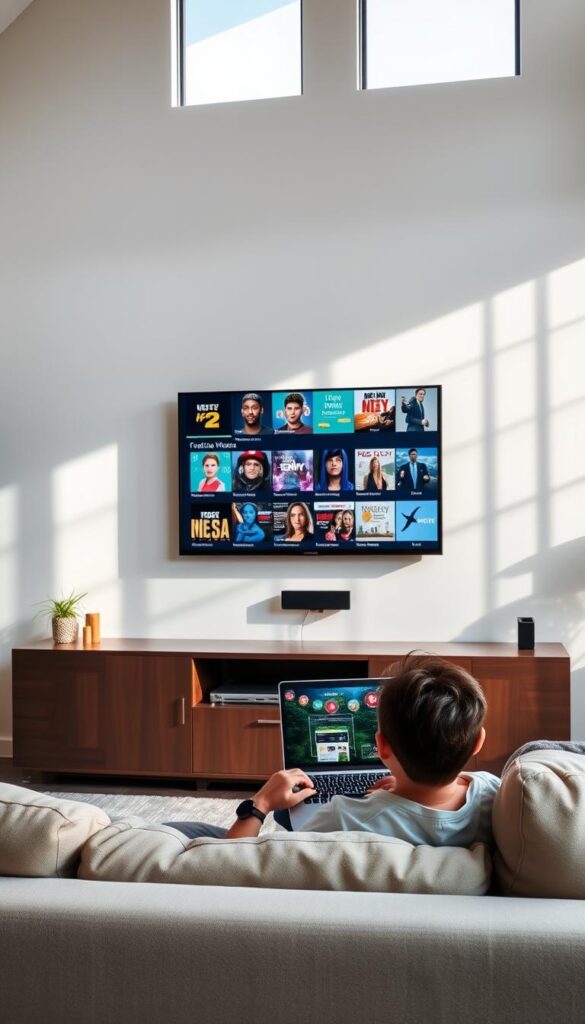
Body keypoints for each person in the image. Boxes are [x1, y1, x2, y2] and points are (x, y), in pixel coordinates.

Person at [164, 654, 500, 847]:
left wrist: (260, 803)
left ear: (381, 746)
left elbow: (237, 861)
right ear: (477, 742)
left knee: (271, 814)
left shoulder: (344, 817)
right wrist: (408, 790)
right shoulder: (495, 795)